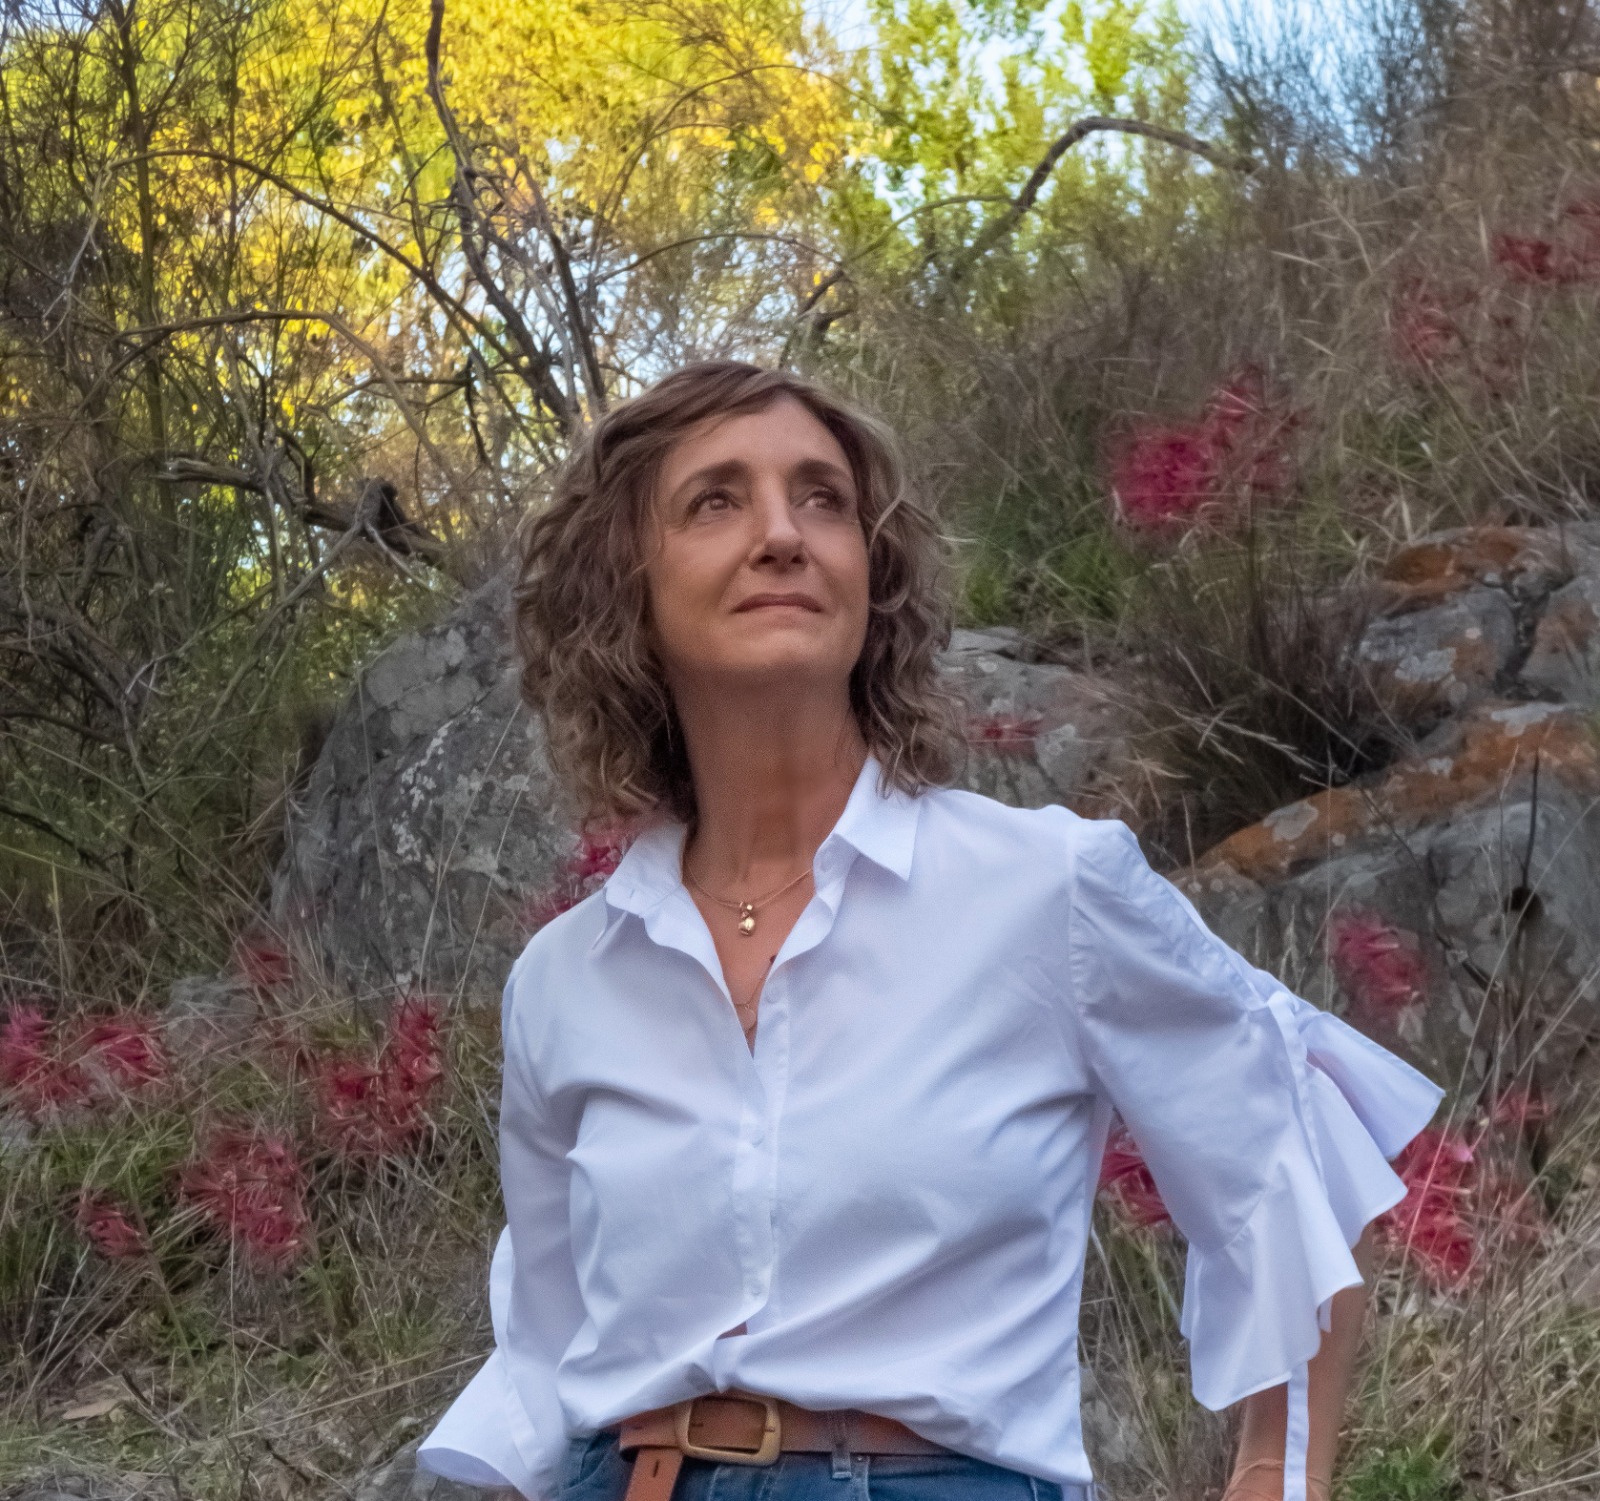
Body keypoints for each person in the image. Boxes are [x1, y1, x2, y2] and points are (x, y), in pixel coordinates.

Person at [415, 361, 1443, 1501]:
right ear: (625, 583)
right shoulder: (564, 980)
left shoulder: (1043, 889)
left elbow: (1286, 1163)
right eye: (715, 500)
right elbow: (545, 1350)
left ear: (873, 572)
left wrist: (1272, 1479)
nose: (781, 535)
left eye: (822, 499)